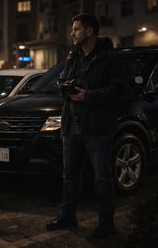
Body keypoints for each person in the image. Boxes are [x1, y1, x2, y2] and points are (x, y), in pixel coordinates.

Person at [46, 13, 130, 238]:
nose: (72, 33)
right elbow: (62, 81)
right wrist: (63, 87)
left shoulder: (109, 58)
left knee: (102, 177)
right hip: (71, 125)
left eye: (76, 29)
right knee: (70, 174)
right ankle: (67, 216)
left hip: (98, 128)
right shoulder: (73, 56)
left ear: (90, 31)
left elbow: (120, 90)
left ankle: (106, 224)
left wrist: (89, 96)